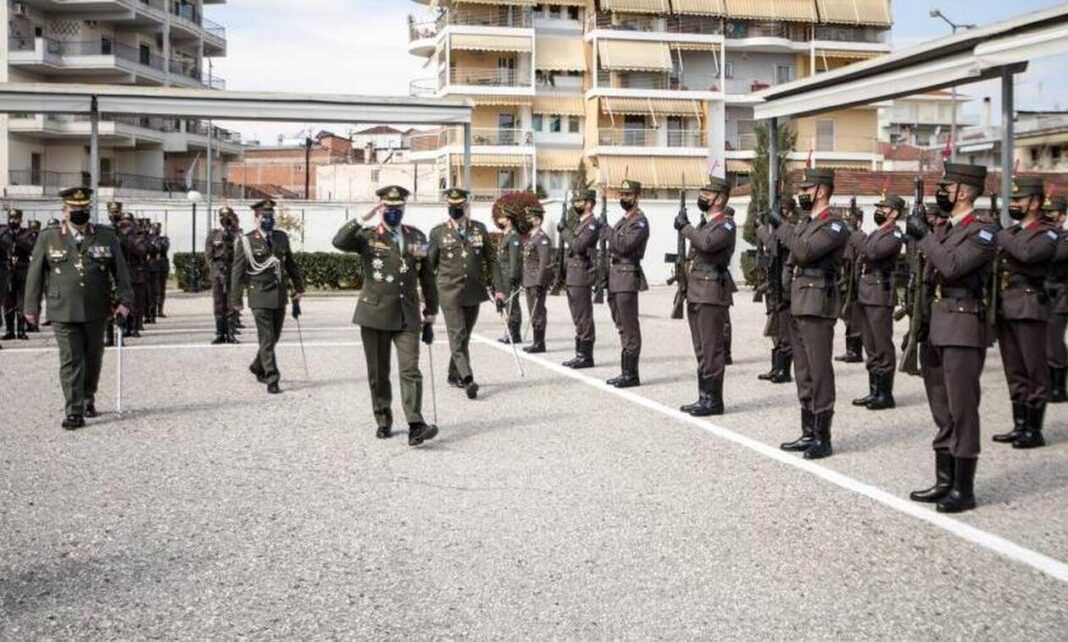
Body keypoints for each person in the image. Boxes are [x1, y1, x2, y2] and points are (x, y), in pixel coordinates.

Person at [906, 163, 997, 514]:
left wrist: (925, 236)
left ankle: (963, 488)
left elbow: (952, 267)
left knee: (962, 408)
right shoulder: (944, 229)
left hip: (963, 325)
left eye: (947, 187)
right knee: (941, 407)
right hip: (936, 323)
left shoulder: (983, 232)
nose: (940, 192)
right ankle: (944, 480)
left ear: (965, 192)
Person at [332, 185, 439, 446]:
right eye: (389, 208)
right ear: (381, 208)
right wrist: (364, 216)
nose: (394, 212)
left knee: (410, 369)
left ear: (404, 208)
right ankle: (383, 417)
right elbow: (339, 242)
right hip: (375, 313)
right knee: (379, 372)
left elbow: (426, 276)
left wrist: (431, 310)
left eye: (398, 208)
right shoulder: (367, 236)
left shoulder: (416, 236)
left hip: (407, 313)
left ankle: (416, 423)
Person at [24, 187, 133, 429]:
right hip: (63, 308)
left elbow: (121, 273)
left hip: (96, 307)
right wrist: (31, 306)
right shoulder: (49, 237)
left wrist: (124, 302)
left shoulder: (106, 236)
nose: (79, 212)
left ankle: (87, 397)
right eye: (74, 209)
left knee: (93, 358)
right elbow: (35, 274)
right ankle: (74, 410)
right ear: (64, 211)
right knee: (71, 359)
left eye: (84, 208)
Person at [776, 168, 848, 460]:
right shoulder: (807, 222)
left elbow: (804, 252)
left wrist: (782, 227)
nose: (801, 194)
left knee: (819, 370)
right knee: (803, 371)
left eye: (806, 189)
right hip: (799, 300)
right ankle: (808, 432)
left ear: (821, 191)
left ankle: (823, 436)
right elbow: (793, 257)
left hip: (818, 302)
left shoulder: (835, 225)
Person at [990, 176, 1058, 449]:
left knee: (1034, 369)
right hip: (1007, 306)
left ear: (1036, 202)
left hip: (1030, 306)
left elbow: (1028, 254)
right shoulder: (1014, 232)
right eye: (1013, 199)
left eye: (1019, 199)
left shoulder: (1048, 233)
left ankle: (1034, 430)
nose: (1014, 204)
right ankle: (1020, 425)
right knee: (1015, 370)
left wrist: (1001, 234)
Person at [429, 188, 502, 400]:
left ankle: (454, 374)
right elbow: (429, 266)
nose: (455, 209)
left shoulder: (479, 229)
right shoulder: (438, 233)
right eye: (451, 206)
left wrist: (499, 290)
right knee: (458, 334)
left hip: (473, 291)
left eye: (459, 206)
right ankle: (467, 378)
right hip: (449, 291)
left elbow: (492, 260)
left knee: (464, 336)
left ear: (466, 206)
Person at [229, 199, 306, 394]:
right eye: (264, 217)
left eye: (271, 216)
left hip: (279, 295)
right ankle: (272, 377)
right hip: (259, 295)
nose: (269, 220)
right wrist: (236, 299)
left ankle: (257, 365)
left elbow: (290, 263)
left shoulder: (281, 237)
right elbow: (237, 272)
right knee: (267, 337)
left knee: (274, 337)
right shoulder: (246, 241)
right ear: (256, 218)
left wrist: (299, 287)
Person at [675, 177, 736, 416]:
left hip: (711, 292)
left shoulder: (726, 225)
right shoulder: (705, 223)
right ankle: (704, 396)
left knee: (712, 349)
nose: (702, 197)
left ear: (719, 199)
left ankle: (714, 401)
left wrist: (686, 228)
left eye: (707, 194)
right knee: (701, 348)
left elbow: (707, 244)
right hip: (696, 290)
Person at [851, 194, 905, 411]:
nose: (879, 211)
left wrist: (856, 234)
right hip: (867, 291)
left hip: (880, 294)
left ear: (894, 213)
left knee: (881, 343)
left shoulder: (894, 234)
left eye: (884, 208)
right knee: (870, 344)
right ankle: (874, 390)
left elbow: (872, 252)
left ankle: (885, 394)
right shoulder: (877, 232)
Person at [601, 179, 650, 388]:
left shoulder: (640, 222)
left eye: (628, 195)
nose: (624, 198)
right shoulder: (623, 221)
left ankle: (631, 374)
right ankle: (625, 372)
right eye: (622, 194)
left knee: (630, 327)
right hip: (615, 276)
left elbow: (624, 246)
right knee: (621, 324)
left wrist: (607, 231)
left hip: (627, 275)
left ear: (637, 196)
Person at [758, 197, 799, 384]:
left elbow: (775, 246)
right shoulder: (780, 230)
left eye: (783, 209)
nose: (781, 213)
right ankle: (776, 367)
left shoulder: (791, 229)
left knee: (784, 329)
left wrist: (762, 231)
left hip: (784, 287)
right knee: (775, 326)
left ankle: (784, 370)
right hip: (774, 284)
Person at [561, 189, 601, 368]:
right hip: (573, 274)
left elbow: (578, 246)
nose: (576, 205)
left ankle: (586, 356)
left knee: (584, 316)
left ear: (589, 204)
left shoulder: (592, 224)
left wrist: (564, 231)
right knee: (577, 316)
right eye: (575, 201)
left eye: (580, 201)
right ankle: (579, 354)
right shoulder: (580, 223)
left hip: (582, 274)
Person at [1044, 195, 1068, 403]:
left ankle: (1059, 387)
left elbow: (1057, 255)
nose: (1049, 216)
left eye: (1052, 212)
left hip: (1061, 293)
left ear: (1062, 215)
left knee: (1054, 339)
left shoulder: (1064, 237)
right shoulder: (1050, 234)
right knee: (1046, 339)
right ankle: (1050, 383)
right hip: (1046, 292)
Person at [836, 205, 866, 363]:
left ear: (859, 221)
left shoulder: (859, 237)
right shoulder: (847, 237)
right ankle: (850, 349)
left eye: (852, 219)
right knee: (847, 316)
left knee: (854, 317)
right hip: (846, 281)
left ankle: (855, 351)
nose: (848, 222)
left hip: (854, 283)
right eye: (847, 219)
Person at [521, 203, 553, 354]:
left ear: (538, 220)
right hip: (529, 280)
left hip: (536, 281)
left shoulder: (542, 239)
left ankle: (539, 343)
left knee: (538, 311)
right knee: (532, 312)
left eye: (531, 218)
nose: (528, 221)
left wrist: (540, 282)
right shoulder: (531, 238)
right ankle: (536, 341)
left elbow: (544, 262)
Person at [207, 207, 240, 345]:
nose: (225, 219)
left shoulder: (237, 234)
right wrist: (215, 271)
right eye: (222, 217)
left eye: (227, 217)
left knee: (232, 303)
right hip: (218, 271)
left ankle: (231, 333)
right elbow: (209, 255)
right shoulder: (214, 234)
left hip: (232, 270)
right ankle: (220, 333)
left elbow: (240, 254)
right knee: (219, 303)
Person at [2, 208, 35, 340]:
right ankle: (9, 330)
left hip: (22, 269)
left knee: (22, 301)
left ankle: (21, 330)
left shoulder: (27, 233)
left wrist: (18, 240)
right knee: (8, 300)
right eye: (11, 218)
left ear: (21, 220)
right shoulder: (3, 233)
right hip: (7, 270)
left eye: (16, 218)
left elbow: (32, 248)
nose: (13, 221)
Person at [494, 209, 524, 345]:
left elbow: (514, 258)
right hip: (503, 274)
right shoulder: (506, 236)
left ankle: (514, 333)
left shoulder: (513, 236)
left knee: (513, 304)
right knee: (507, 304)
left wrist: (513, 276)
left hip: (509, 275)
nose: (499, 220)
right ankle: (510, 331)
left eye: (502, 218)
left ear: (509, 220)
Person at [151, 222, 171, 319]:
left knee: (162, 290)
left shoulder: (164, 239)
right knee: (154, 289)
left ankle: (160, 310)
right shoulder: (149, 239)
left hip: (162, 267)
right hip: (153, 267)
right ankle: (152, 310)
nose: (156, 230)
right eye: (155, 228)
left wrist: (156, 242)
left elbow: (164, 248)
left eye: (158, 228)